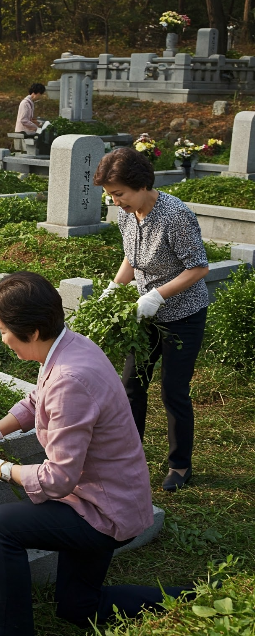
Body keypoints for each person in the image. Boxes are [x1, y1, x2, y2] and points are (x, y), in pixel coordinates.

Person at [0, 272, 192, 636]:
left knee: (1, 525)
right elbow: (36, 399)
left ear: (31, 331)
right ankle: (190, 599)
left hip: (102, 510)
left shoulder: (71, 378)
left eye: (4, 331)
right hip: (111, 495)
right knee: (78, 608)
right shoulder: (70, 346)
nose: (2, 340)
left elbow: (57, 480)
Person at [95, 147, 210, 493]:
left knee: (174, 390)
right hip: (145, 316)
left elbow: (199, 267)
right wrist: (115, 289)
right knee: (132, 385)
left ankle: (180, 465)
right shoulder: (128, 215)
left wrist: (158, 295)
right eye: (110, 195)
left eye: (119, 194)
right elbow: (131, 259)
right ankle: (129, 455)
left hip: (183, 315)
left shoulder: (175, 216)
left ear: (142, 184)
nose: (116, 202)